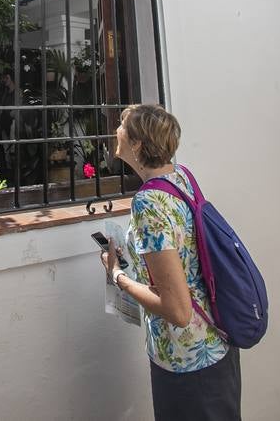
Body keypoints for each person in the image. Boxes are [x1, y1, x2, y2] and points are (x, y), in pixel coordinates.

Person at [102, 104, 241, 421]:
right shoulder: (181, 179)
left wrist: (117, 275)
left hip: (188, 364)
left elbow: (178, 311)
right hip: (214, 345)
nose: (116, 130)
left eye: (123, 125)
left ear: (136, 144)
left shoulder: (149, 202)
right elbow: (184, 253)